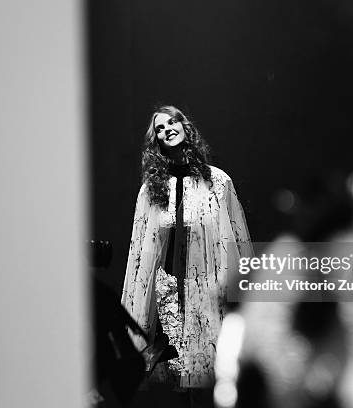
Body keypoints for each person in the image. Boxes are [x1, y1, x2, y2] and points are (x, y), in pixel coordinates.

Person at [121, 105, 252, 391]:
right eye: (159, 127)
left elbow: (238, 241)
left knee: (209, 379)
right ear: (156, 140)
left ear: (185, 126)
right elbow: (139, 249)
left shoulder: (217, 181)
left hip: (207, 290)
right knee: (174, 384)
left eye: (172, 122)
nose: (167, 128)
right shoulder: (151, 189)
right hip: (167, 292)